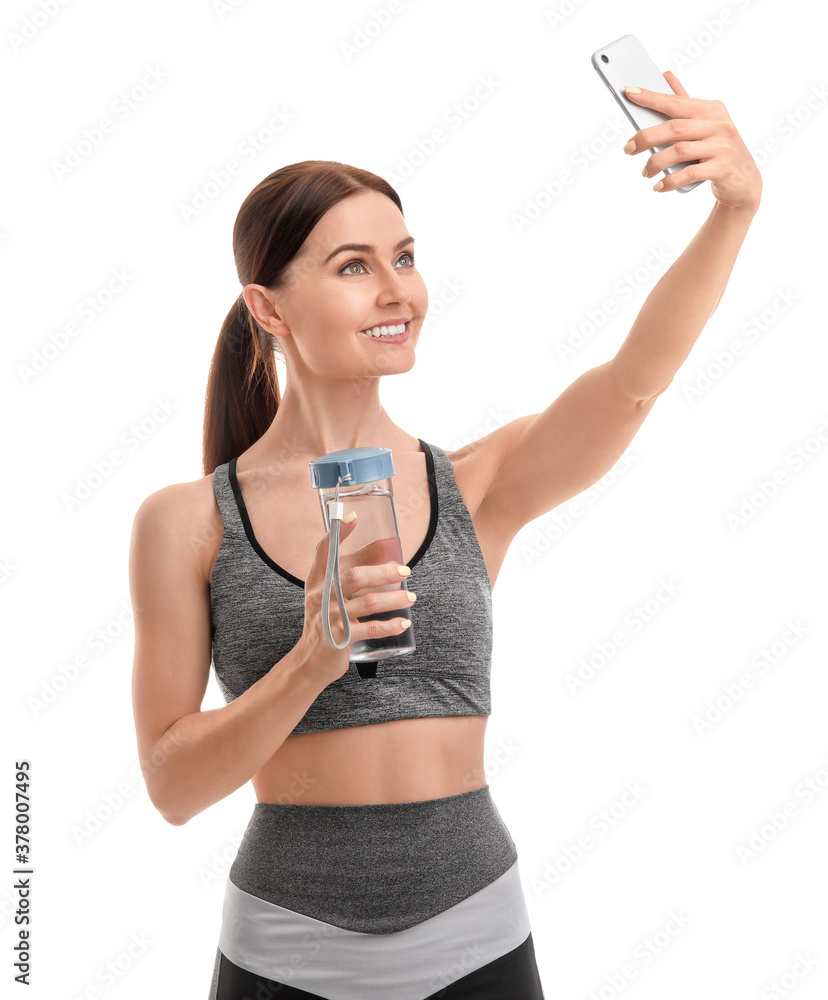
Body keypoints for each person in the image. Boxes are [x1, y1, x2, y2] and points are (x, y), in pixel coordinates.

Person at [129, 75, 761, 1000]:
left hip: (477, 939)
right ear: (269, 310)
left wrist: (733, 214)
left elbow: (634, 380)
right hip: (283, 951)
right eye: (353, 267)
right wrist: (312, 658)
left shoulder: (477, 483)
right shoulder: (186, 521)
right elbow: (172, 788)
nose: (398, 291)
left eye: (406, 256)